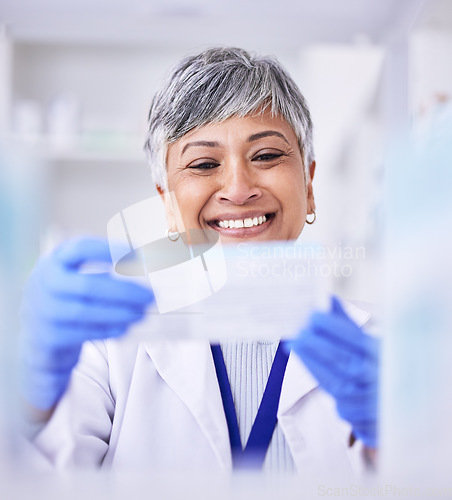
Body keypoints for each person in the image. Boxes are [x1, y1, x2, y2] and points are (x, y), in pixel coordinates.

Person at [19, 47, 379, 475]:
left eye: (265, 156)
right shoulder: (107, 351)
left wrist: (393, 442)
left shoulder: (376, 349)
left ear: (309, 184)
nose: (239, 188)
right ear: (167, 205)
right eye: (204, 163)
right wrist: (28, 397)